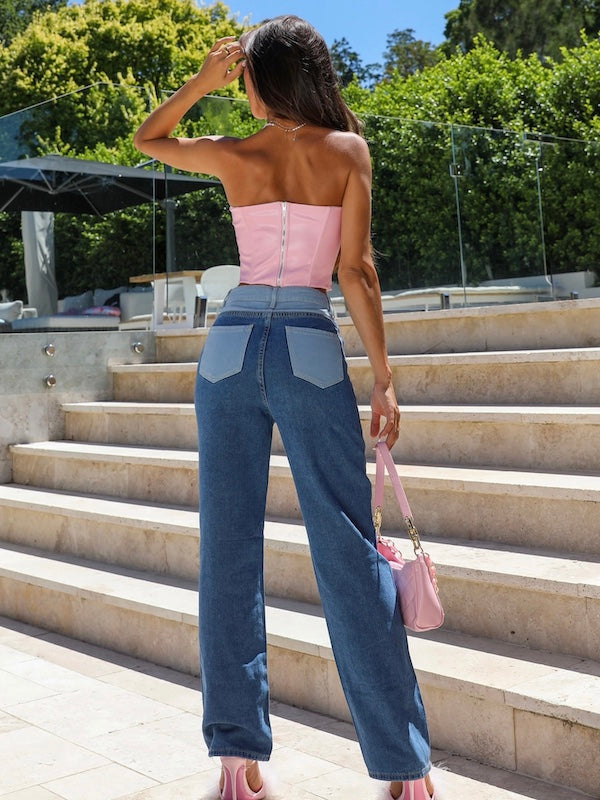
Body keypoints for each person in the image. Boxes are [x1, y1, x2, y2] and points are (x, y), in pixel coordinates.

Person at [134, 15, 436, 800]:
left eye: (240, 77)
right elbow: (357, 271)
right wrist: (385, 376)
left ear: (257, 78)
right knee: (348, 549)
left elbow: (148, 137)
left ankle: (238, 764)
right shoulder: (347, 151)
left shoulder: (235, 154)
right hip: (306, 341)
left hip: (229, 348)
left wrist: (198, 82)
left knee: (226, 549)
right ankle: (405, 771)